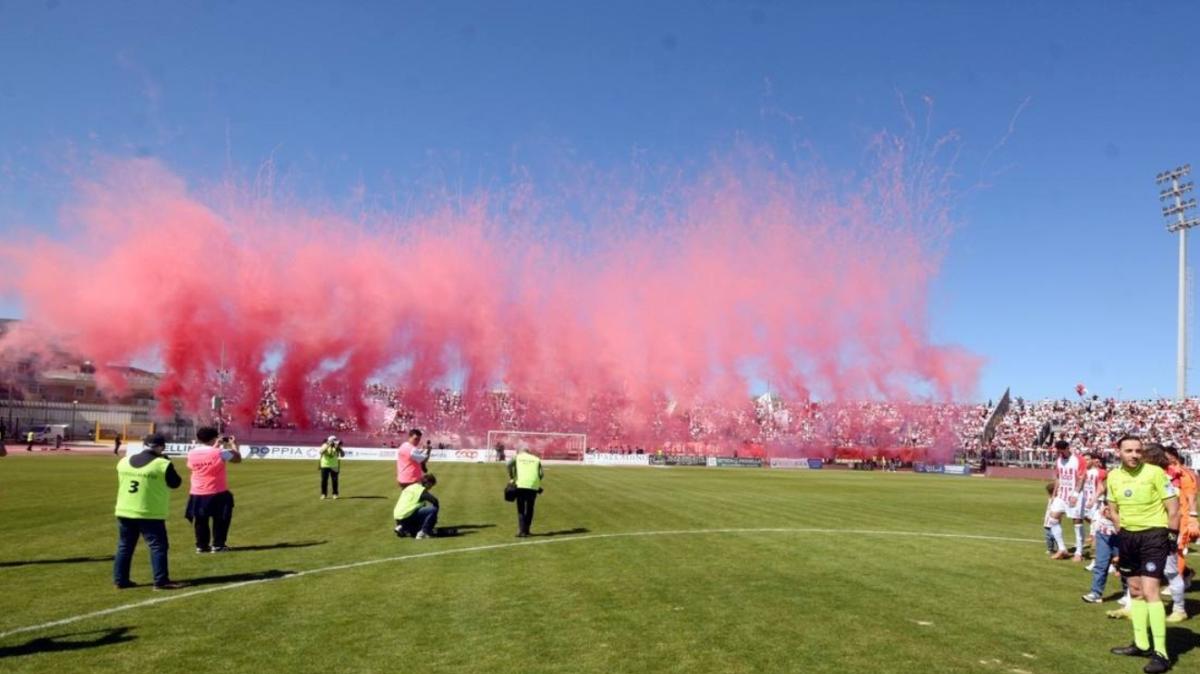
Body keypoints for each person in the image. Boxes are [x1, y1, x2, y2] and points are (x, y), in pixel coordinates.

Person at [1107, 436, 1180, 674]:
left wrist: (1171, 537)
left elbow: (1173, 508)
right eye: (1129, 450)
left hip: (1153, 536)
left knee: (1150, 592)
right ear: (1119, 452)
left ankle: (1161, 653)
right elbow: (1113, 509)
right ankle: (1141, 644)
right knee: (1136, 591)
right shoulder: (1113, 476)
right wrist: (1121, 530)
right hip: (1128, 537)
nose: (1134, 455)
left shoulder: (1155, 473)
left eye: (1138, 450)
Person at [112, 433, 185, 590]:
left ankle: (120, 579)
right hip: (149, 511)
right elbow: (175, 483)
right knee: (158, 546)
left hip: (125, 509)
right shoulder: (162, 463)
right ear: (161, 447)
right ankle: (161, 581)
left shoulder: (124, 461)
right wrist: (168, 462)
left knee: (125, 546)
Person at [185, 426, 242, 553]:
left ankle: (202, 545)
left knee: (200, 520)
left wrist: (216, 445)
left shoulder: (192, 453)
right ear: (214, 438)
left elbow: (195, 463)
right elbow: (237, 459)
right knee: (221, 518)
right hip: (217, 490)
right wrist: (234, 445)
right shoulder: (220, 452)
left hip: (197, 491)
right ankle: (218, 544)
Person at [1162, 446, 1197, 623]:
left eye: (1167, 457)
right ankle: (1187, 573)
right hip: (1168, 516)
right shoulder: (1167, 471)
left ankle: (1176, 584)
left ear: (1174, 457)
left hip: (1182, 517)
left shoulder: (1185, 473)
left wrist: (1193, 516)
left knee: (1177, 549)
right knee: (1169, 551)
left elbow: (1191, 496)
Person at [1049, 440, 1088, 561]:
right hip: (1062, 494)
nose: (1060, 452)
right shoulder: (1059, 460)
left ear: (1067, 448)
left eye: (1062, 450)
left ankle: (1079, 552)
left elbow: (1082, 478)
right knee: (1053, 519)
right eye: (1058, 450)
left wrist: (1075, 494)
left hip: (1075, 494)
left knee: (1077, 522)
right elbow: (1058, 478)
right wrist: (1054, 495)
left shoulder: (1079, 460)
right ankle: (1062, 549)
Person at [507, 446, 543, 537]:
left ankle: (522, 531)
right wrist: (536, 482)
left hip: (521, 485)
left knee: (521, 508)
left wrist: (512, 477)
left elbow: (508, 465)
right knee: (530, 508)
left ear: (520, 452)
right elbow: (541, 474)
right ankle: (527, 529)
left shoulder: (517, 457)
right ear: (529, 452)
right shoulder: (536, 459)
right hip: (533, 486)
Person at [393, 473, 439, 539]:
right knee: (433, 510)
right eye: (431, 485)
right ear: (428, 483)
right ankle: (423, 532)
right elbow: (435, 501)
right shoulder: (421, 490)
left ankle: (402, 527)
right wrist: (434, 517)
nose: (430, 488)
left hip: (398, 517)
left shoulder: (411, 486)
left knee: (414, 529)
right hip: (407, 515)